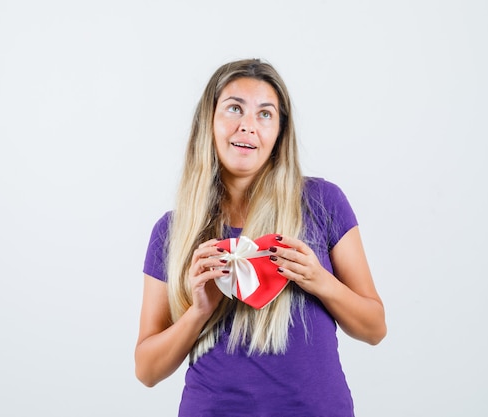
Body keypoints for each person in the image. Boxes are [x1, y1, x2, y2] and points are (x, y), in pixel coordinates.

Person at [135, 58, 386, 417]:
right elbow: (147, 370)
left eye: (265, 114)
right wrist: (198, 312)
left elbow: (375, 328)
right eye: (234, 108)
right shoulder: (172, 231)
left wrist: (320, 281)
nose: (248, 126)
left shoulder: (322, 202)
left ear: (281, 132)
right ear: (208, 120)